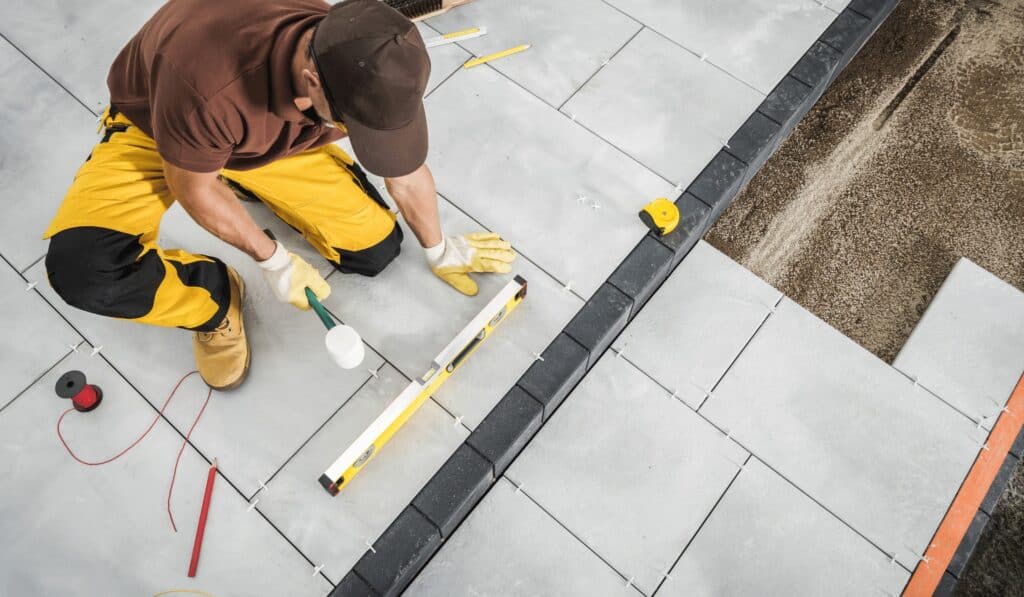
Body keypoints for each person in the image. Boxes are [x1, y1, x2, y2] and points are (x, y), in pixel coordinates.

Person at [42, 0, 515, 390]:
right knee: (87, 272)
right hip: (164, 127)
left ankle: (245, 174)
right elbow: (195, 188)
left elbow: (407, 175)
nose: (359, 135)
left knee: (375, 250)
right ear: (311, 82)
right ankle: (211, 299)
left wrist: (438, 248)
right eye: (354, 127)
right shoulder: (205, 84)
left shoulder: (356, 48)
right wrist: (274, 261)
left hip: (265, 140)